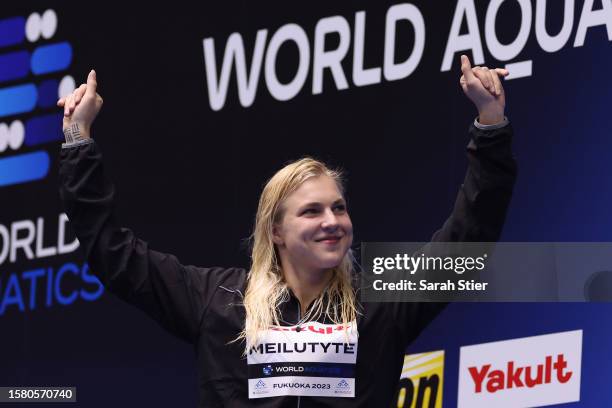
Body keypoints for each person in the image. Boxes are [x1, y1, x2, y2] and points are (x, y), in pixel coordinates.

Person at [57, 55, 516, 407]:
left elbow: (467, 239)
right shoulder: (216, 300)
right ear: (275, 231)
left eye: (339, 208)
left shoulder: (380, 301)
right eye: (311, 212)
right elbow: (112, 253)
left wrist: (490, 125)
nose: (332, 221)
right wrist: (78, 141)